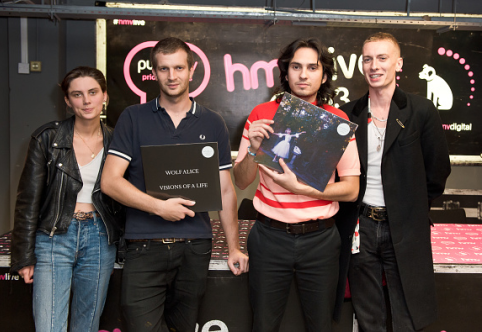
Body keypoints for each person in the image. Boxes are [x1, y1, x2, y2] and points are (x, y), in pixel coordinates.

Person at [101, 37, 249, 332]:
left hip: (195, 249)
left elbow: (225, 190)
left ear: (192, 71)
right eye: (164, 69)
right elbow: (110, 182)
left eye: (179, 67)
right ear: (153, 72)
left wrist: (234, 247)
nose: (172, 76)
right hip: (144, 247)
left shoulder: (212, 122)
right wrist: (159, 207)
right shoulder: (133, 118)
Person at [233, 38, 360, 332]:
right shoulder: (260, 114)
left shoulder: (336, 121)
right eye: (296, 67)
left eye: (312, 68)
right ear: (286, 73)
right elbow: (242, 181)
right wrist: (253, 149)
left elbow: (351, 189)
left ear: (324, 75)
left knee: (320, 325)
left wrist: (304, 189)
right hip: (269, 237)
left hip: (321, 240)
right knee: (263, 324)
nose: (303, 74)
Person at [339, 32, 451, 331]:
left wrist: (409, 208)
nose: (374, 65)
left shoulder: (421, 111)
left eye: (382, 58)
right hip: (360, 226)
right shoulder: (349, 113)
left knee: (408, 315)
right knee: (368, 316)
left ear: (398, 63)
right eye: (367, 59)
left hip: (405, 227)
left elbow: (437, 172)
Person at [10, 66, 123, 332]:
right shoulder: (47, 138)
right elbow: (28, 201)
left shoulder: (118, 140)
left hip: (99, 238)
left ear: (104, 96)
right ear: (67, 100)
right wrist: (24, 256)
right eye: (77, 94)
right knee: (49, 326)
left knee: (87, 325)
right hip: (54, 237)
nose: (86, 101)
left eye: (93, 92)